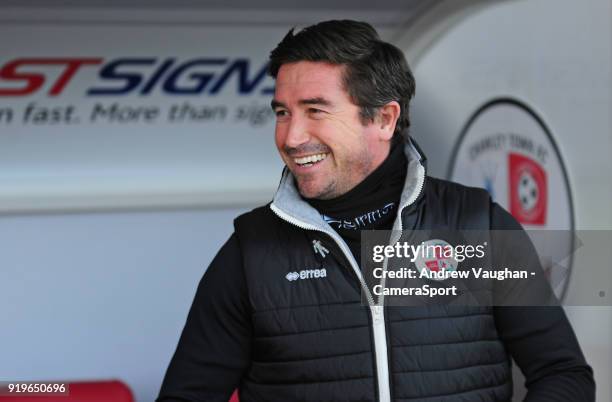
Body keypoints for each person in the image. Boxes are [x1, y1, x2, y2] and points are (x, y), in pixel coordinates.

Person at [157, 20, 594, 402]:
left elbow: (564, 375)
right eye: (282, 113)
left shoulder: (476, 224)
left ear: (384, 119)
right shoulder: (251, 252)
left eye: (315, 111)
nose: (291, 137)